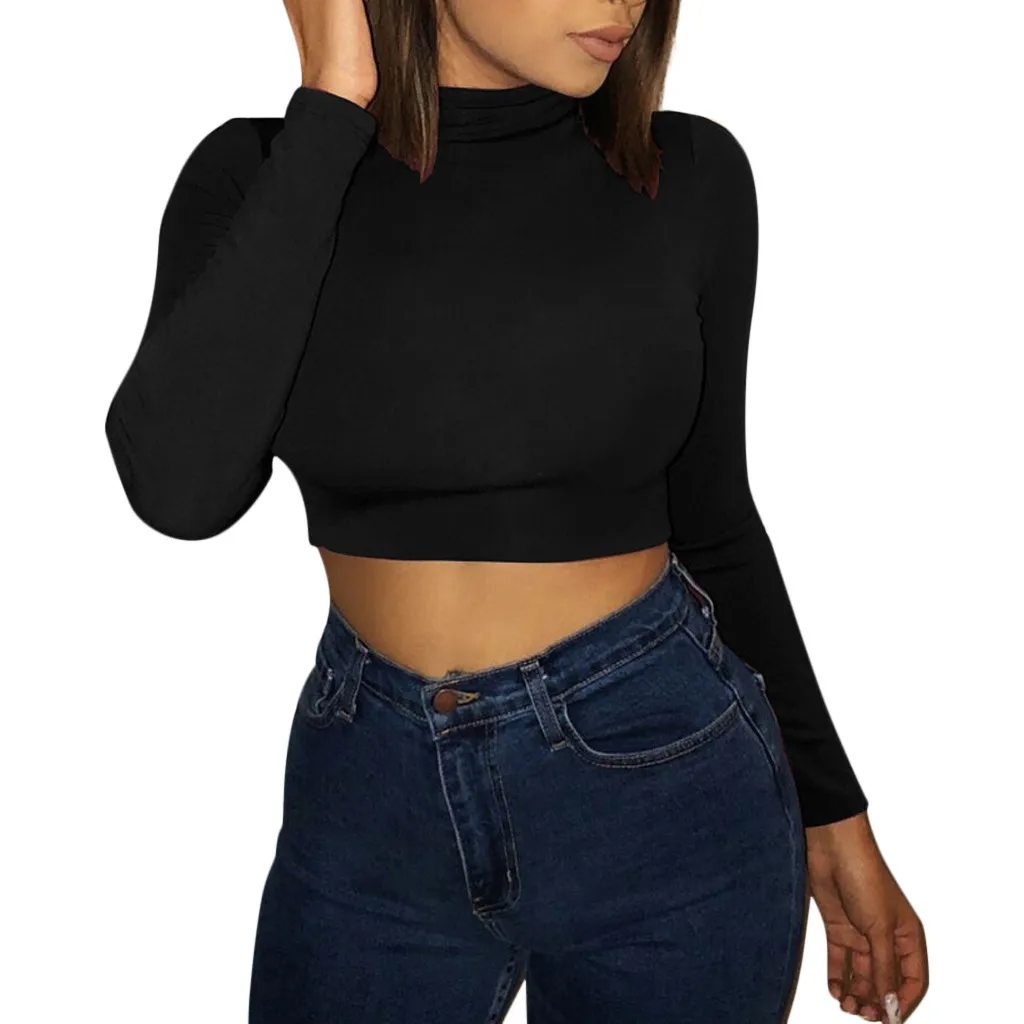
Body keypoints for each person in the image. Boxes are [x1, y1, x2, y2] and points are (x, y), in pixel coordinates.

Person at [102, 0, 929, 1020]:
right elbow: (181, 493)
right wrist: (331, 103)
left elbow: (714, 516)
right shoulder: (263, 174)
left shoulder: (687, 175)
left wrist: (833, 814)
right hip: (368, 801)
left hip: (669, 781)